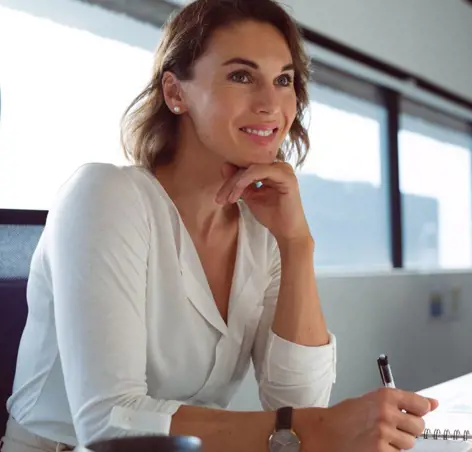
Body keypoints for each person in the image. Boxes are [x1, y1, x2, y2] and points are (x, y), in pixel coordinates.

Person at [1, 0, 439, 451]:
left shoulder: (262, 230)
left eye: (283, 80)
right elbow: (107, 422)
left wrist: (296, 243)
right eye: (241, 76)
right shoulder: (105, 195)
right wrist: (316, 430)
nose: (271, 104)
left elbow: (299, 402)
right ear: (176, 93)